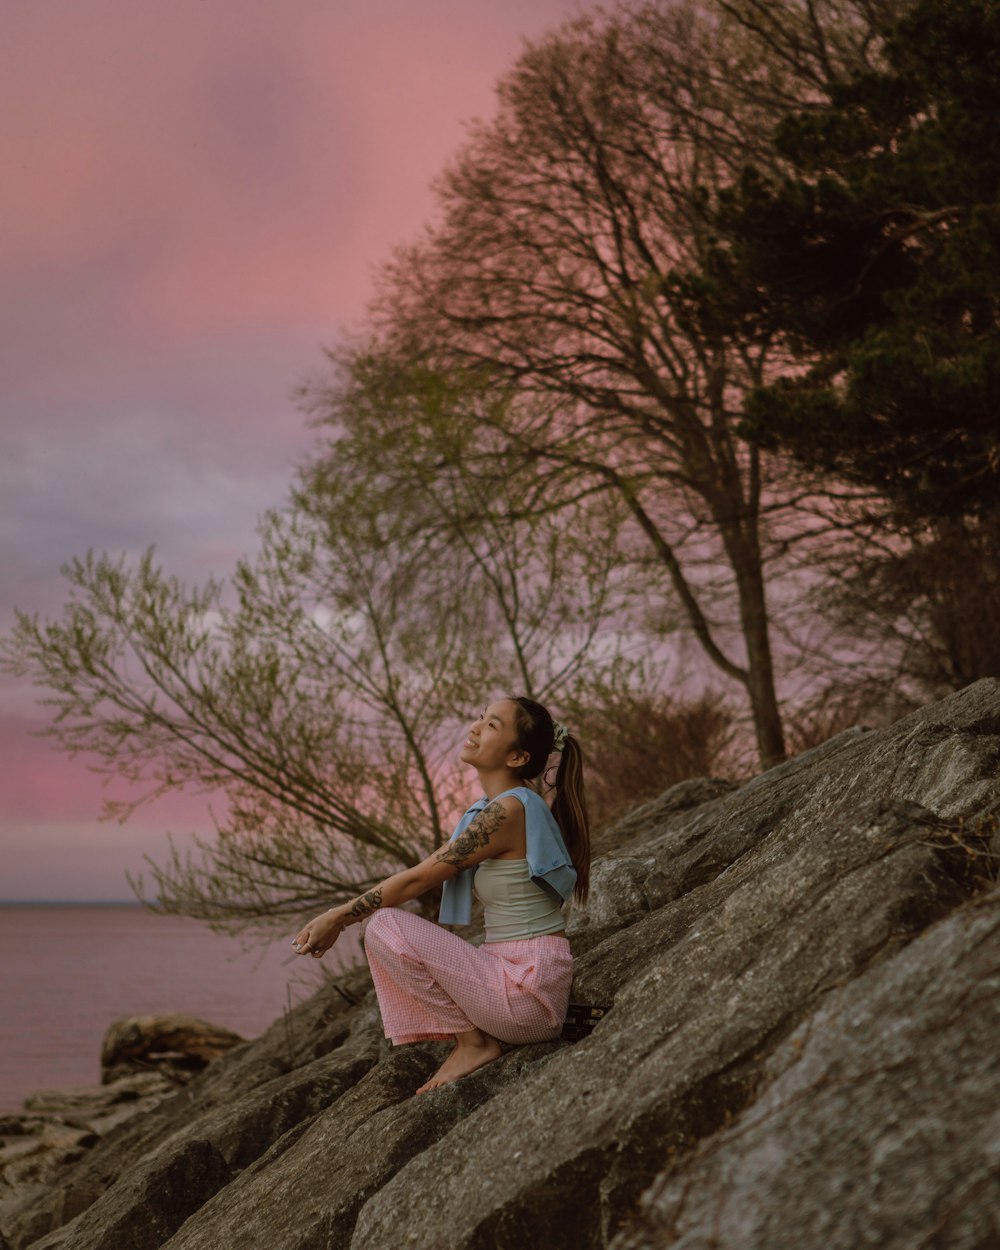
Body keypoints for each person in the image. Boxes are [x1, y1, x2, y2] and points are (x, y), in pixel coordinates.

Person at [291, 695, 590, 1094]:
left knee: (385, 925)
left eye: (491, 726)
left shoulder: (510, 811)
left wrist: (340, 915)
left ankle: (474, 1043)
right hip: (518, 976)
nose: (475, 727)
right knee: (394, 930)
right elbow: (424, 871)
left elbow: (418, 881)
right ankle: (475, 1038)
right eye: (481, 717)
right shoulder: (498, 809)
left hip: (527, 990)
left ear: (517, 757)